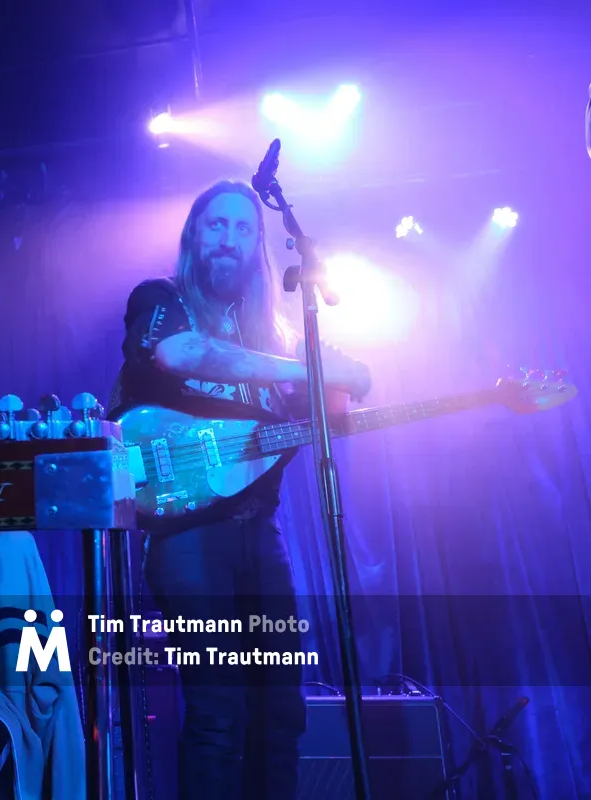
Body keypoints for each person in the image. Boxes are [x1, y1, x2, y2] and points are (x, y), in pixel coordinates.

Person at [109, 180, 372, 799]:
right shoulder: (160, 299)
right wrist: (308, 366)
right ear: (194, 236)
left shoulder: (273, 338)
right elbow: (180, 354)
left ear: (260, 247)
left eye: (243, 228)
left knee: (282, 710)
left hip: (263, 533)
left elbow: (319, 419)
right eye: (216, 225)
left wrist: (338, 389)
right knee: (219, 708)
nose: (228, 239)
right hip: (187, 535)